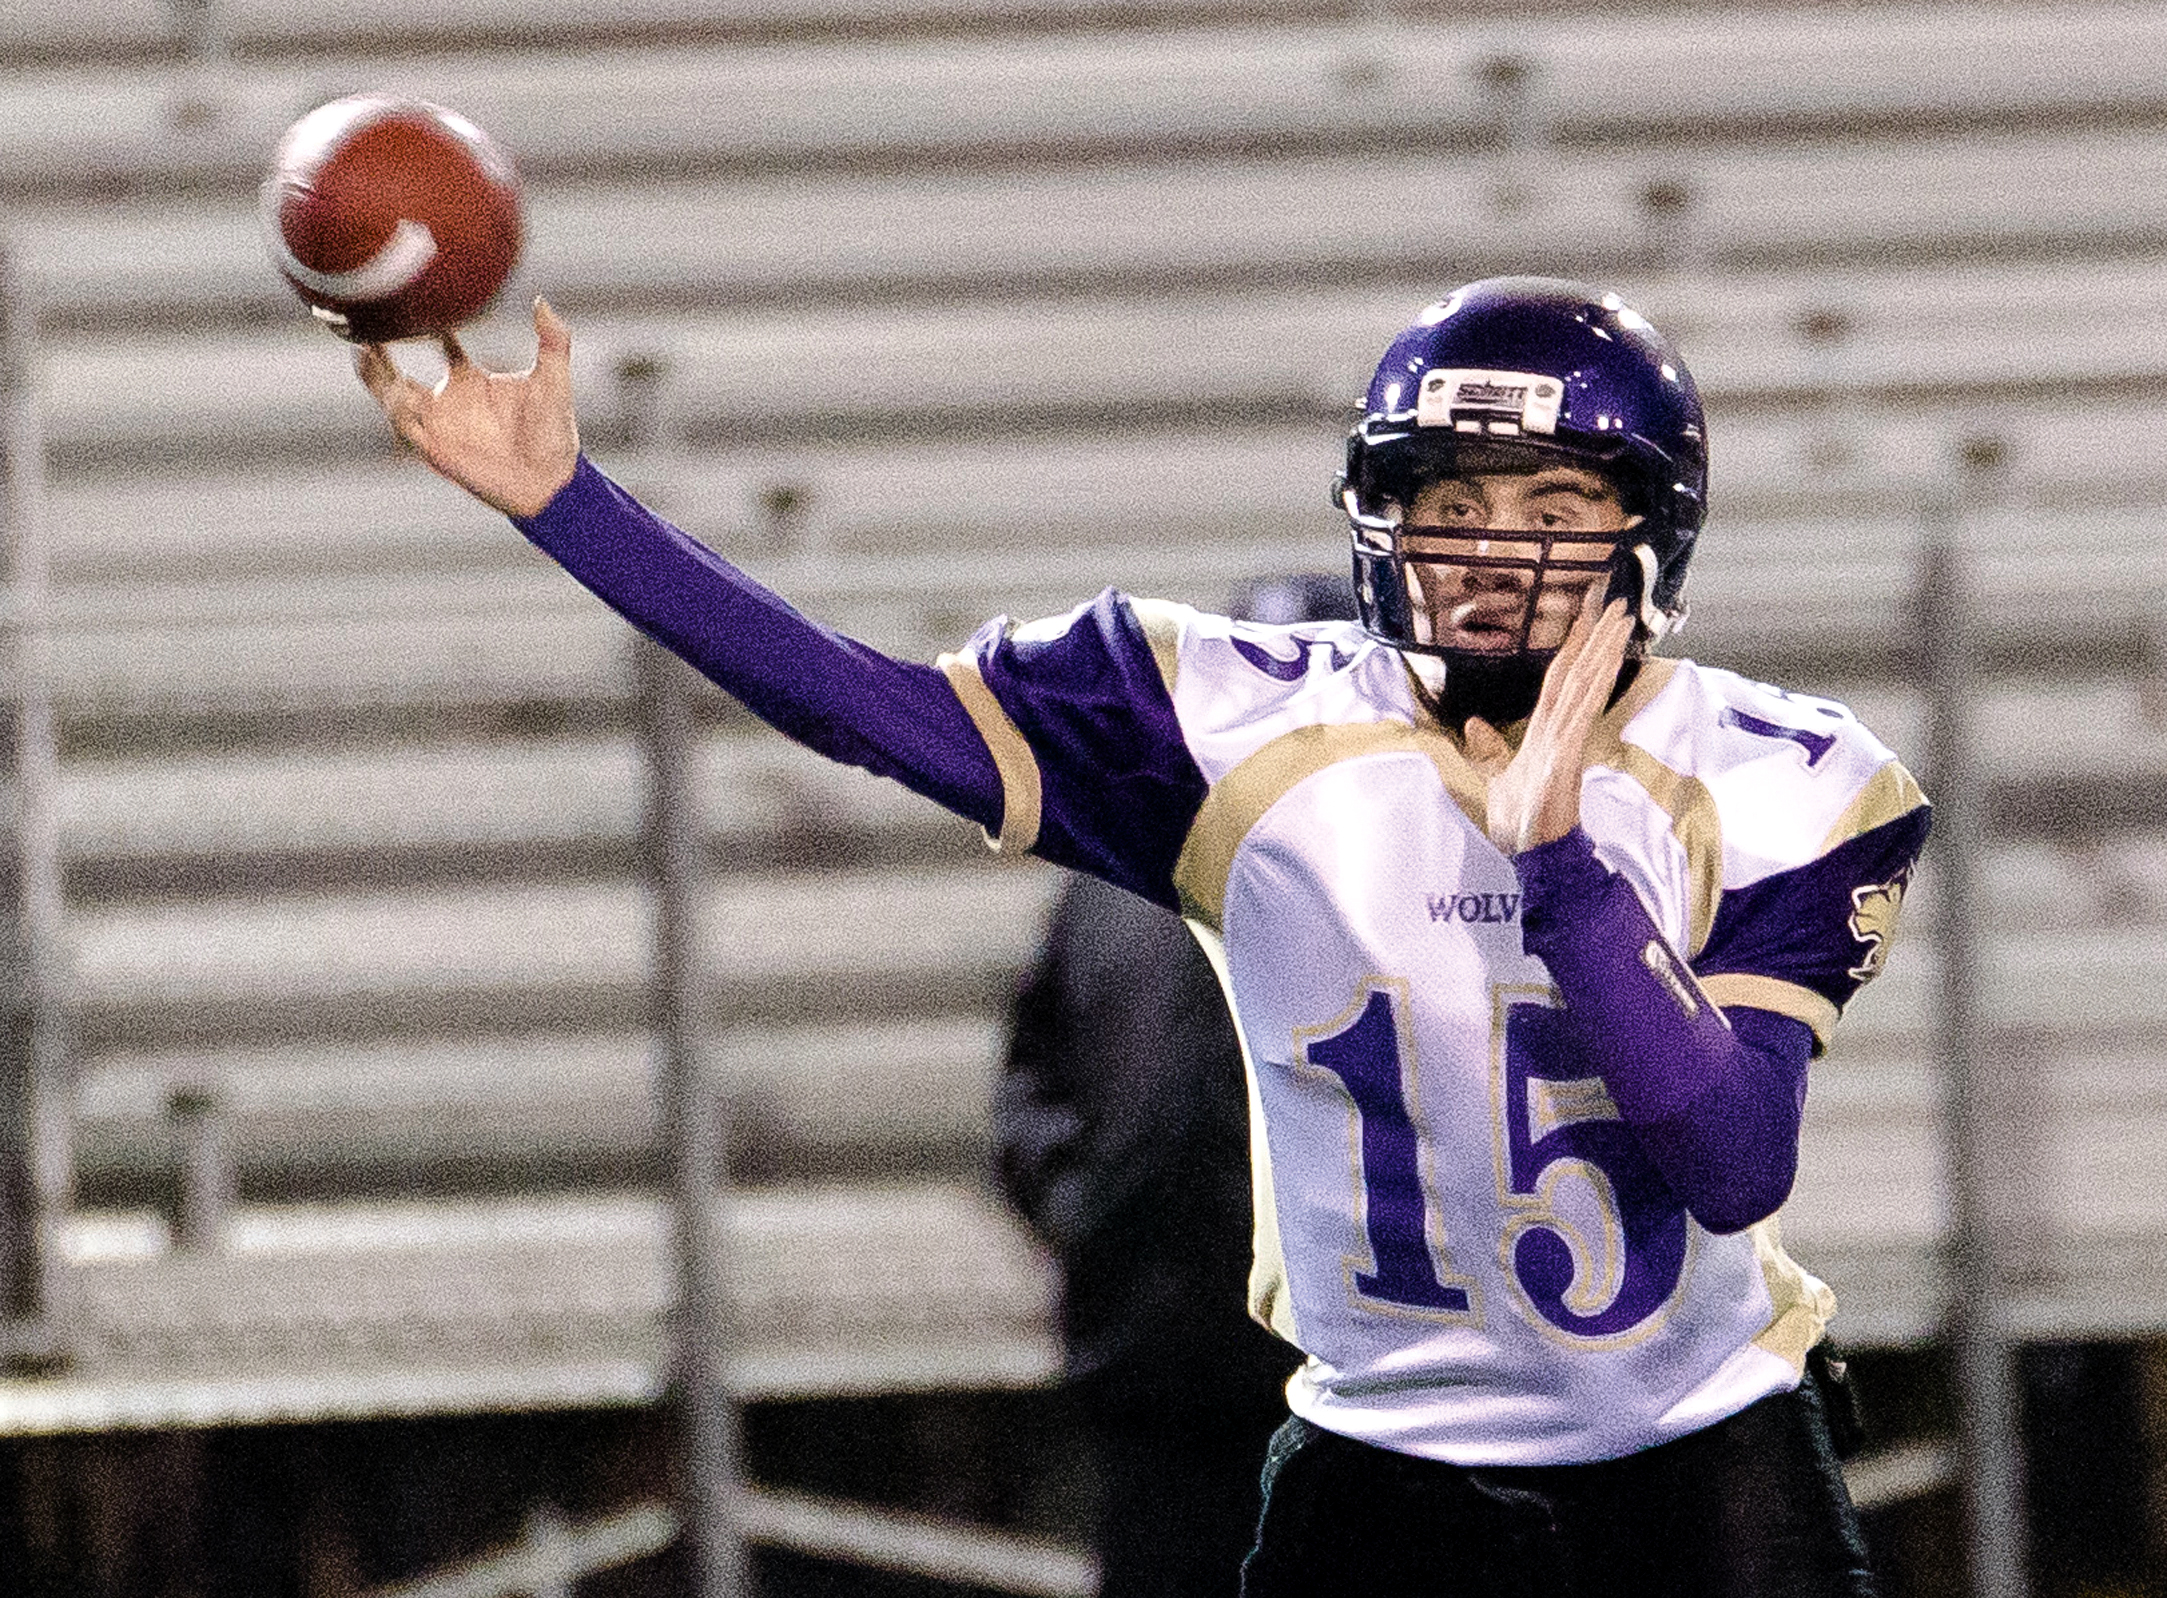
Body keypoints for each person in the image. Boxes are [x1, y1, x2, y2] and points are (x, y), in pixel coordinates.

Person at [355, 276, 1927, 1596]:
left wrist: (1560, 866)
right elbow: (864, 706)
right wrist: (571, 504)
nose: (1491, 553)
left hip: (1701, 1473)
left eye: (1553, 504)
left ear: (1648, 530)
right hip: (1379, 1476)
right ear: (1381, 521)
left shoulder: (1780, 774)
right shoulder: (1240, 723)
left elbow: (1731, 1161)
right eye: (1449, 501)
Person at [993, 574, 1350, 1598]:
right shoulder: (1112, 873)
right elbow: (1032, 1083)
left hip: (1352, 1391)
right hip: (1159, 1373)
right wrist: (1094, 1215)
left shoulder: (1417, 878)